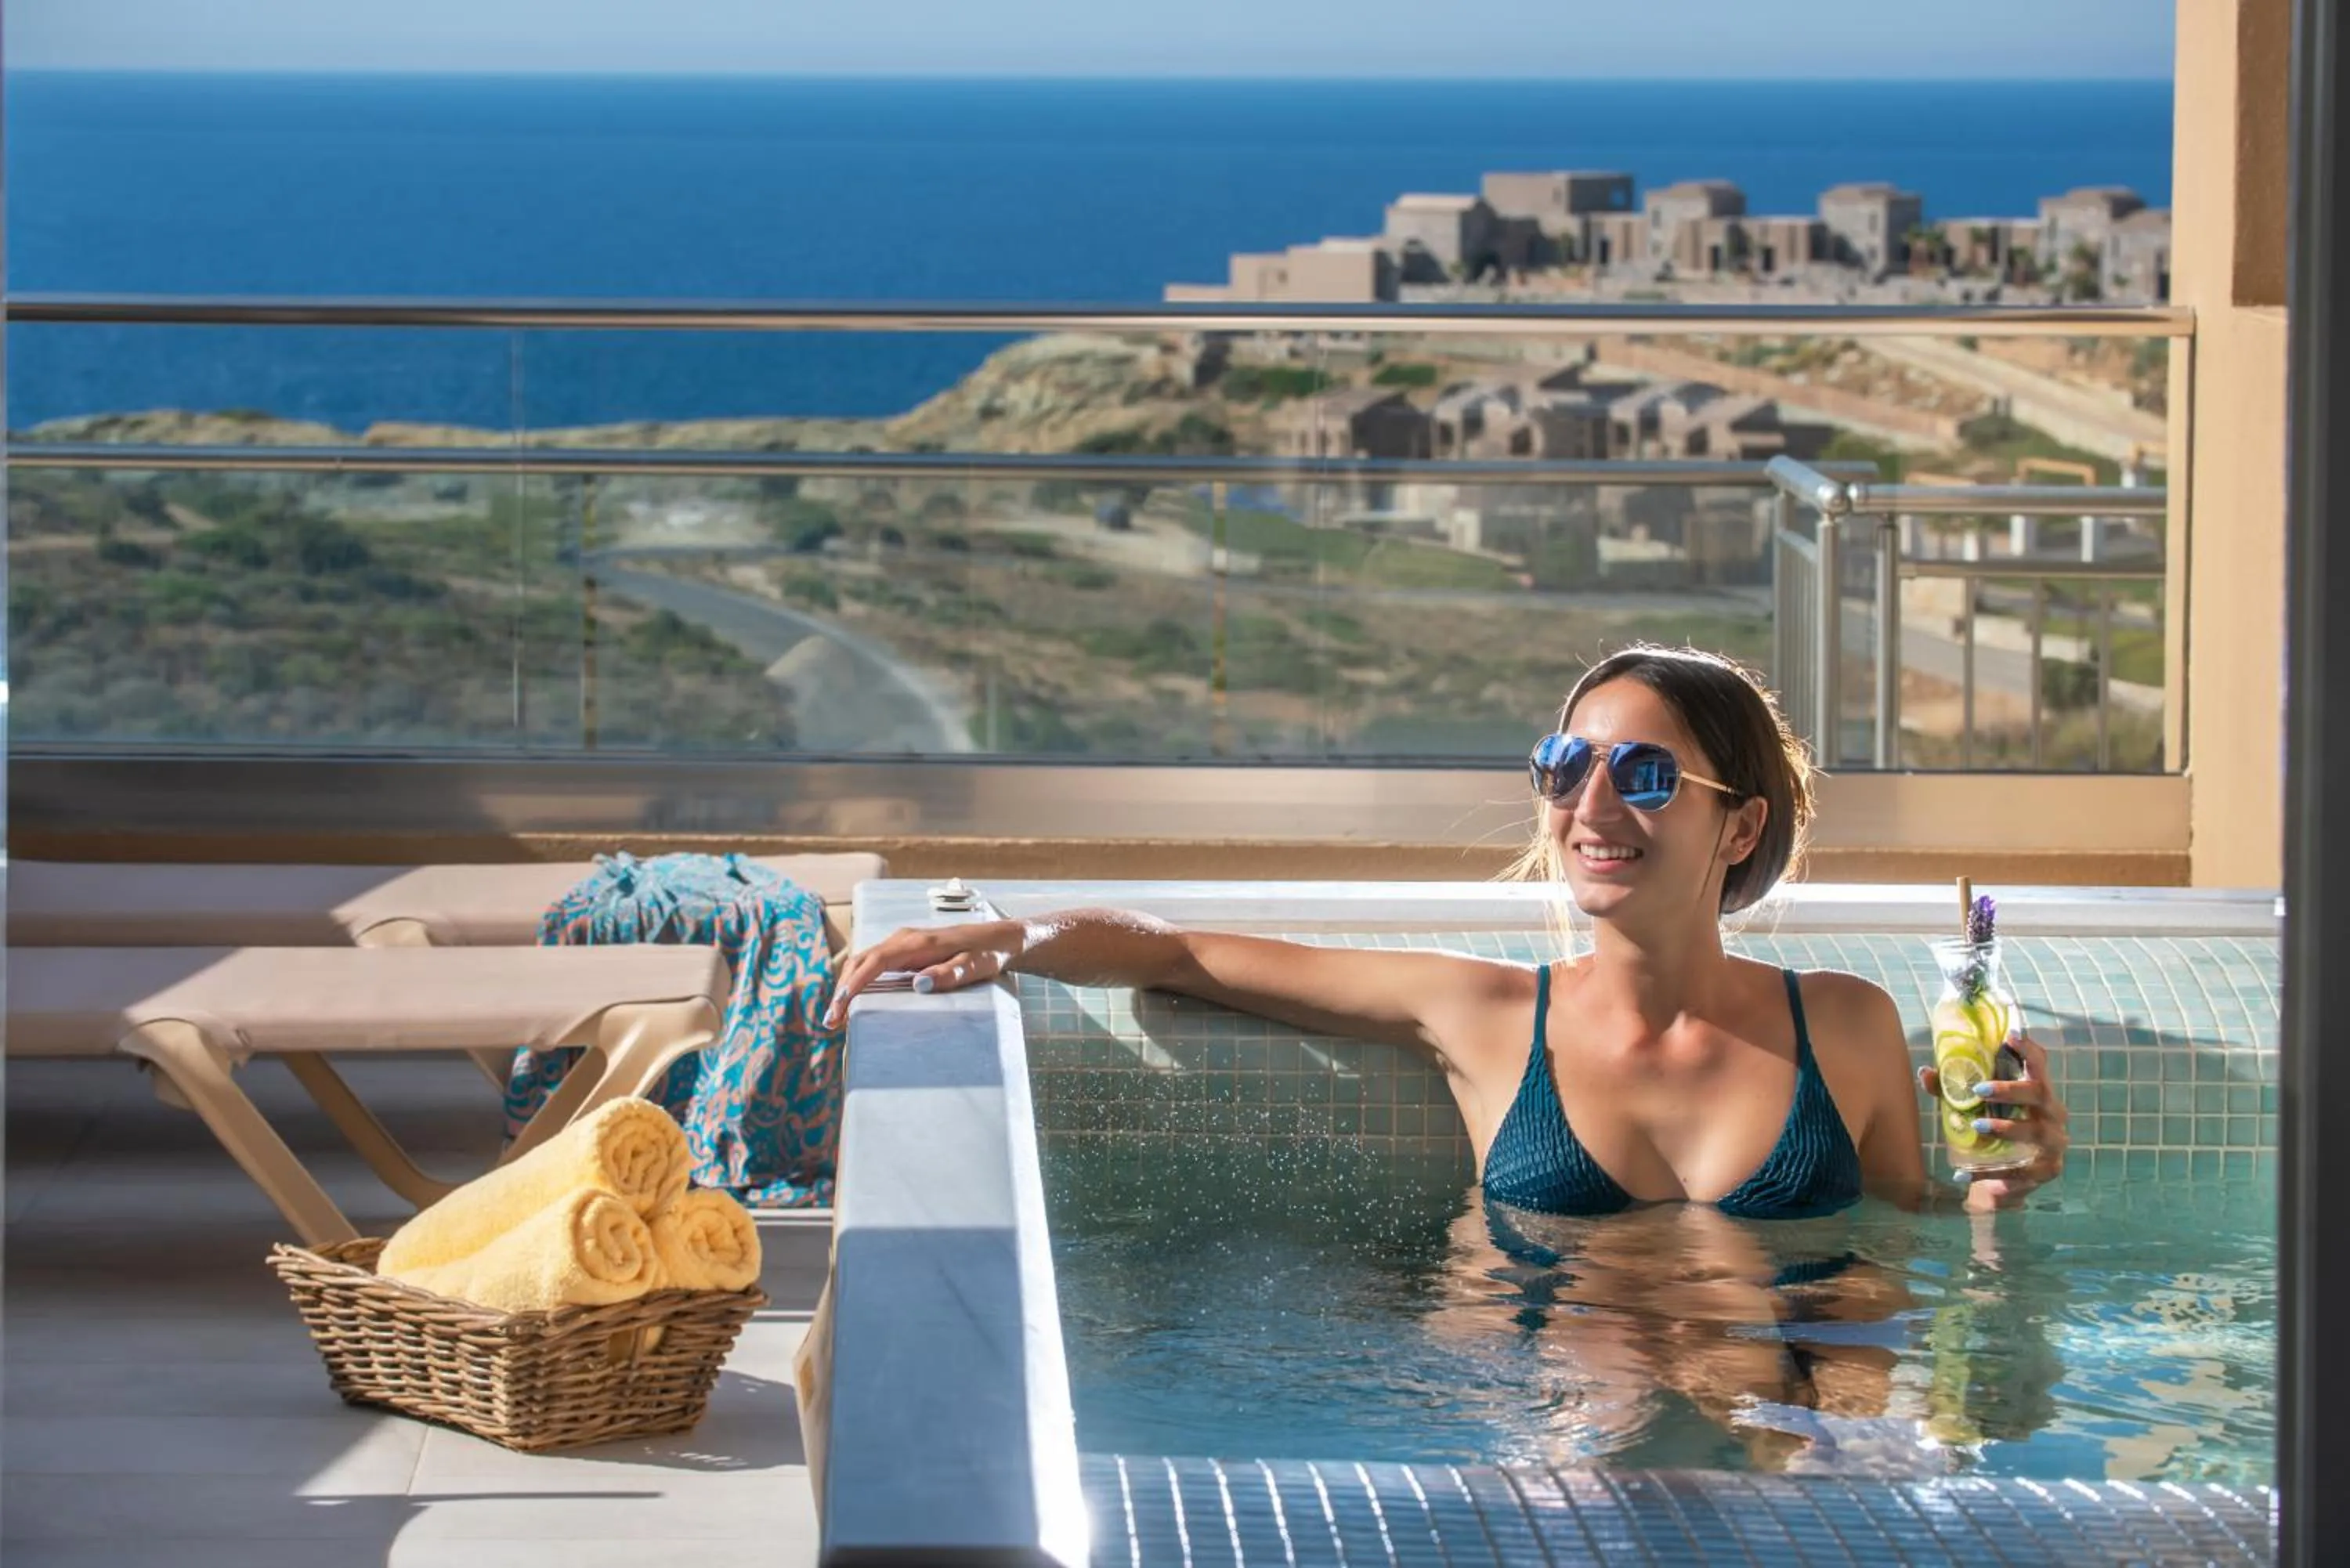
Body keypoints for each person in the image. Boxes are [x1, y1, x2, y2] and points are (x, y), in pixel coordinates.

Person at [826, 644, 2069, 1216]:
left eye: (1643, 775)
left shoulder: (1845, 1025)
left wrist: (2002, 1198)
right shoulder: (1485, 1015)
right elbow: (1180, 953)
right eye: (1565, 765)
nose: (1590, 805)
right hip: (1536, 1424)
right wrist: (1016, 936)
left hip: (1778, 1433)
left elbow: (1905, 1257)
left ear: (1738, 826)